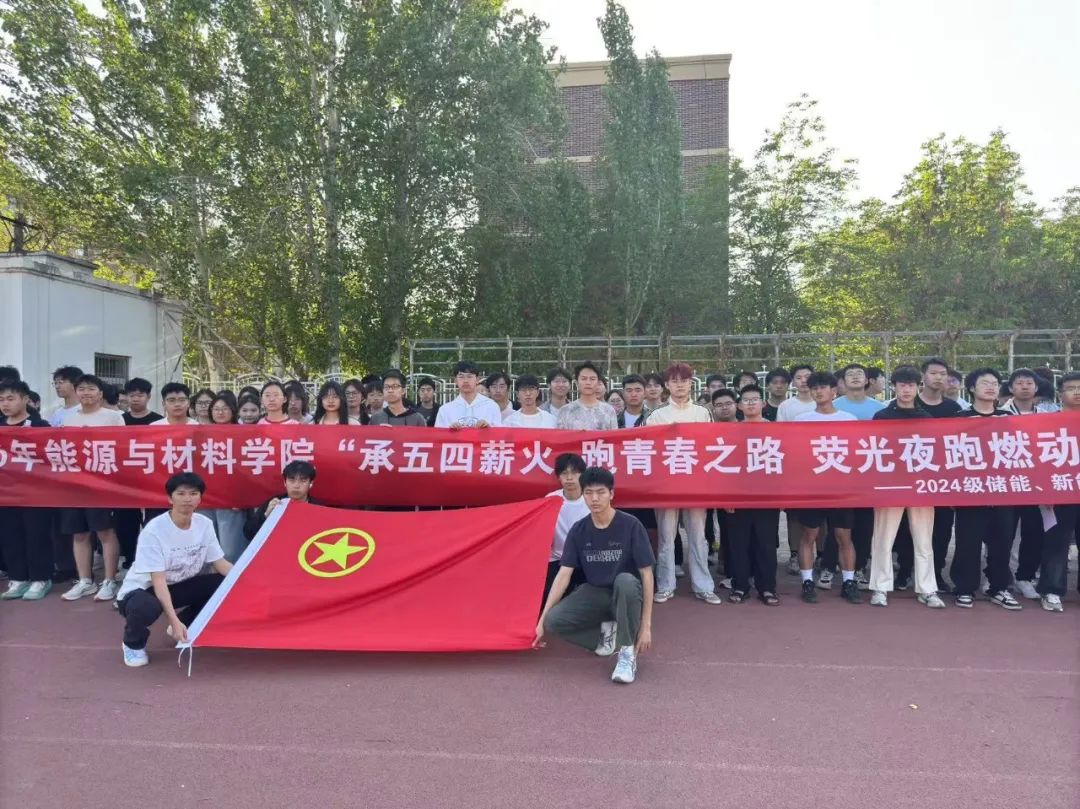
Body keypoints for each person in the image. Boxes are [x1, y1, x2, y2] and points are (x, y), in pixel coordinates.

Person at [534, 467, 655, 685]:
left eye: (601, 492)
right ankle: (605, 638)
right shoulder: (579, 530)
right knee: (553, 621)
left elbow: (647, 575)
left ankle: (627, 654)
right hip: (597, 593)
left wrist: (646, 626)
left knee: (625, 580)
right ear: (583, 495)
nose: (594, 499)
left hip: (627, 594)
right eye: (588, 493)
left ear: (612, 494)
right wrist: (542, 621)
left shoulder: (631, 525)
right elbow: (563, 574)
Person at [115, 473, 233, 667]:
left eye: (193, 494)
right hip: (143, 590)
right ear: (170, 498)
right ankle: (132, 644)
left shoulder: (204, 524)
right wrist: (172, 619)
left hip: (178, 585)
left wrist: (249, 578)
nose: (187, 499)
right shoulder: (154, 530)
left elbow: (220, 563)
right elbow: (158, 580)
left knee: (224, 584)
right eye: (181, 494)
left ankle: (186, 623)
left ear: (200, 498)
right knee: (145, 607)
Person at [867, 366, 943, 608]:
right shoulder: (882, 417)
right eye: (902, 385)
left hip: (920, 486)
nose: (906, 390)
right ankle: (880, 587)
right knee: (883, 539)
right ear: (894, 387)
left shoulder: (926, 418)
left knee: (923, 540)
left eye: (911, 385)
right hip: (889, 486)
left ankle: (927, 589)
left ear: (918, 387)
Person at [647, 363, 721, 605]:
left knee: (698, 536)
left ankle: (704, 586)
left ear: (691, 383)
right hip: (666, 486)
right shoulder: (656, 415)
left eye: (684, 380)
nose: (679, 385)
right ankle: (665, 585)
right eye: (674, 381)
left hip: (696, 485)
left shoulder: (703, 413)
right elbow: (649, 450)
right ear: (667, 385)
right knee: (666, 537)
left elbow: (711, 447)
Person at [949, 368, 1020, 609]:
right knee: (968, 543)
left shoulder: (1008, 418)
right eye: (984, 383)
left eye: (994, 383)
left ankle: (999, 587)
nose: (991, 387)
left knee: (1002, 543)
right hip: (970, 491)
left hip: (1002, 491)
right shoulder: (959, 418)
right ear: (971, 388)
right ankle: (964, 588)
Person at [793, 372, 861, 605]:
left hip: (841, 489)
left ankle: (849, 582)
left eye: (823, 387)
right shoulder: (801, 420)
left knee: (844, 536)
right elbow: (796, 453)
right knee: (809, 535)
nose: (818, 391)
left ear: (834, 391)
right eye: (814, 388)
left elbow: (856, 454)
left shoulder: (849, 419)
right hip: (812, 488)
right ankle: (807, 581)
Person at [58, 374, 127, 602]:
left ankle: (109, 580)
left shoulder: (114, 417)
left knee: (105, 532)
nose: (86, 393)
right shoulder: (67, 419)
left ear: (100, 393)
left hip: (102, 484)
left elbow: (123, 448)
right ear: (76, 392)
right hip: (75, 485)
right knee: (79, 533)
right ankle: (85, 580)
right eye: (81, 389)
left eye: (91, 388)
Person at [724, 385, 780, 605]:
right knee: (739, 544)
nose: (750, 403)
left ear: (763, 403)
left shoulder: (777, 430)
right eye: (745, 400)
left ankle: (767, 588)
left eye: (754, 399)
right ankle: (740, 586)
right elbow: (724, 467)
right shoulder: (731, 431)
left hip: (768, 496)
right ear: (739, 406)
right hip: (738, 497)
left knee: (766, 544)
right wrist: (726, 497)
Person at [0, 380, 54, 601]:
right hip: (5, 493)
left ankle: (41, 578)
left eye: (10, 399)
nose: (5, 404)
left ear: (25, 399)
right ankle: (18, 578)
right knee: (10, 535)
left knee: (36, 535)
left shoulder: (40, 426)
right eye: (1, 400)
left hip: (34, 493)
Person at [830, 363, 883, 588]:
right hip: (839, 473)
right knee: (837, 523)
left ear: (867, 380)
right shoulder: (833, 406)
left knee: (864, 524)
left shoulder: (879, 409)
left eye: (859, 373)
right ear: (842, 382)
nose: (854, 377)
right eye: (849, 374)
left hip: (868, 474)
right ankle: (830, 566)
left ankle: (860, 567)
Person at [917, 357, 963, 591]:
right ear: (923, 376)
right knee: (909, 530)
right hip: (913, 478)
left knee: (942, 530)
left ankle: (935, 573)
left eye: (942, 374)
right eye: (933, 373)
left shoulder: (954, 409)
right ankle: (907, 571)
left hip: (944, 479)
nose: (938, 378)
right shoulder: (908, 404)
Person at [1037, 372, 1080, 612]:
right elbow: (1039, 459)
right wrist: (1046, 491)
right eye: (1071, 388)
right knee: (1057, 543)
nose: (1077, 392)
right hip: (1060, 490)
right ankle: (1052, 590)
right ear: (1060, 394)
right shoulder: (1048, 422)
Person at [541, 453, 590, 603]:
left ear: (582, 475)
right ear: (558, 477)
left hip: (586, 560)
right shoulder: (550, 500)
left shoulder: (591, 499)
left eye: (574, 473)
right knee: (548, 600)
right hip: (557, 560)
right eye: (564, 473)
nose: (569, 478)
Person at [244, 461, 320, 540]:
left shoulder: (318, 508)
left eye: (303, 481)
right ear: (285, 482)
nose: (296, 486)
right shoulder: (274, 503)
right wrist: (266, 516)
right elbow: (248, 534)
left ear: (311, 483)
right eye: (292, 480)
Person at [434, 360, 502, 429]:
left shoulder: (491, 406)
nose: (465, 381)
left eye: (469, 376)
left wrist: (488, 429)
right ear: (455, 381)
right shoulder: (445, 410)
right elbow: (439, 434)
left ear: (477, 379)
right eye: (461, 377)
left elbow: (499, 433)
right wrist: (450, 431)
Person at [556, 363, 618, 431]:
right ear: (577, 383)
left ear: (598, 382)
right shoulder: (565, 411)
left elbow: (614, 436)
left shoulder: (608, 411)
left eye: (592, 379)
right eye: (584, 379)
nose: (588, 382)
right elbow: (561, 436)